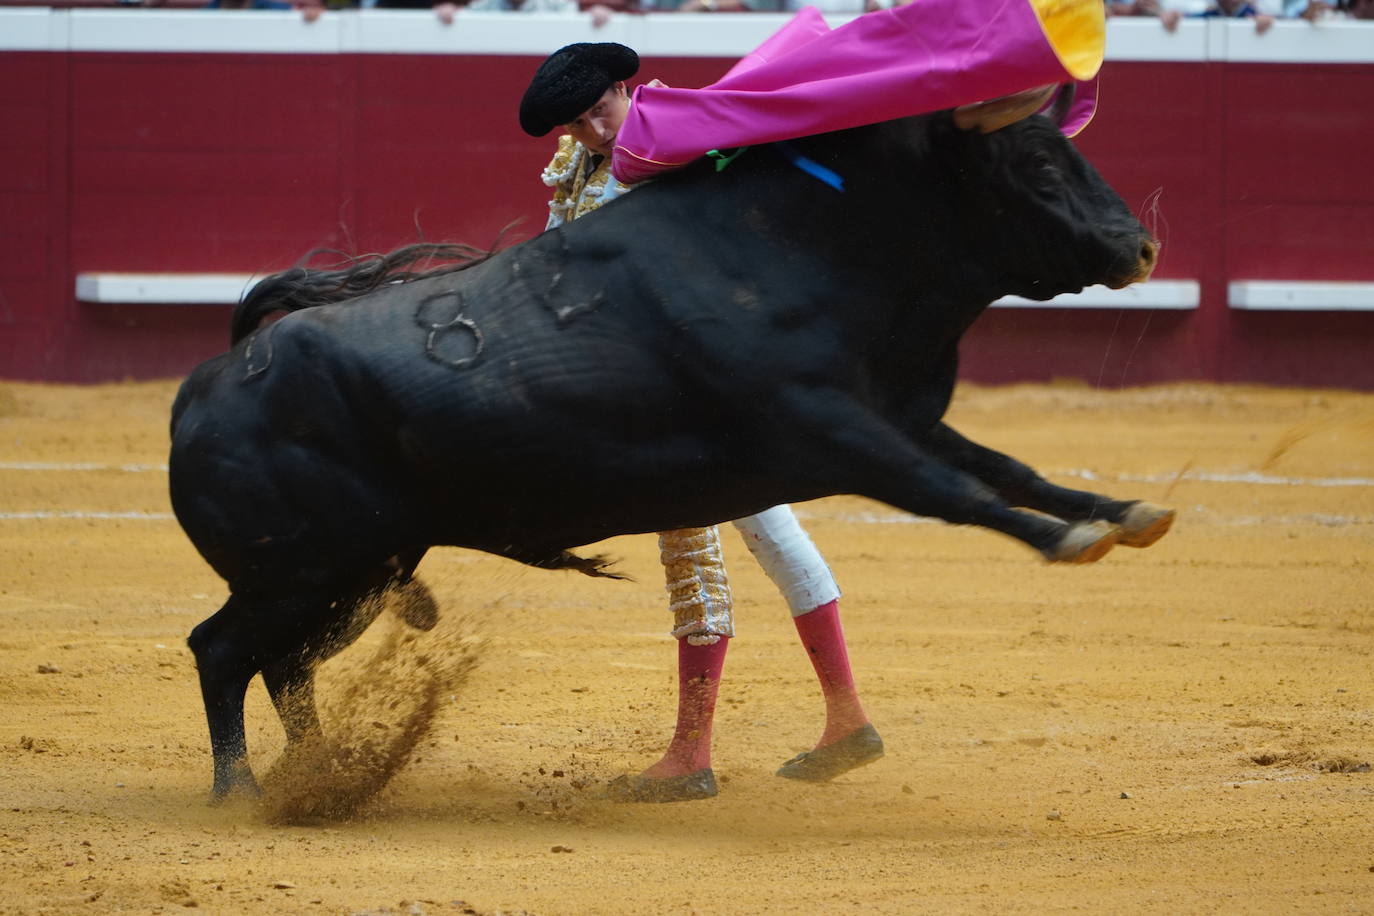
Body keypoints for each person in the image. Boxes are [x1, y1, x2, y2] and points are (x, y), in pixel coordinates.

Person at [519, 42, 884, 803]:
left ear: (626, 87)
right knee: (771, 532)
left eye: (600, 111)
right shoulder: (582, 164)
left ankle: (691, 756)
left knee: (691, 545)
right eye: (578, 123)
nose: (593, 131)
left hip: (694, 384)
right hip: (668, 380)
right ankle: (846, 718)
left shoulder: (679, 144)